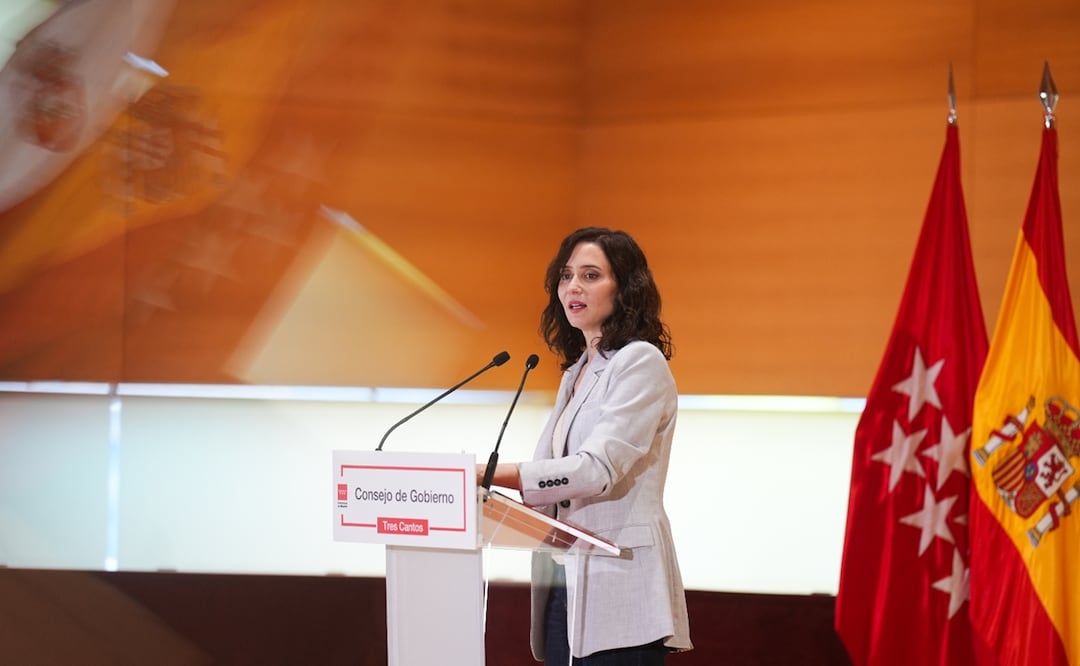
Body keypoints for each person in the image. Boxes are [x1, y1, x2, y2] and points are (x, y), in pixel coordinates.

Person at [482, 227, 693, 664]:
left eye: (591, 275)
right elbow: (552, 480)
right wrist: (483, 498)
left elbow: (595, 470)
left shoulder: (640, 361)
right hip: (564, 586)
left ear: (626, 288)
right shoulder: (576, 371)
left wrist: (488, 473)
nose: (573, 286)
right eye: (566, 275)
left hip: (620, 582)